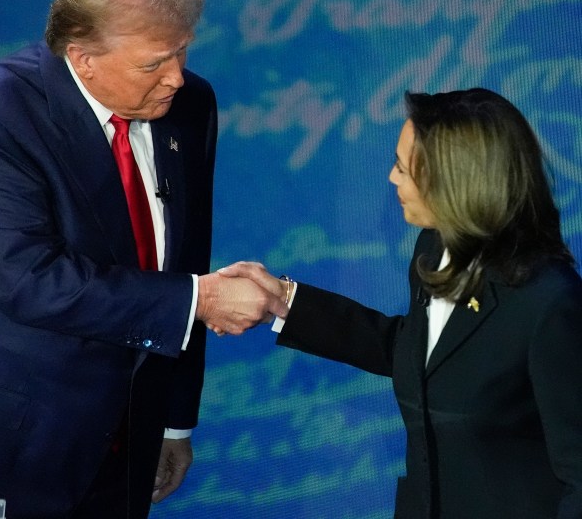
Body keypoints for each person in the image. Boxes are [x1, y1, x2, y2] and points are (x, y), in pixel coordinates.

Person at [0, 0, 286, 519]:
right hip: (24, 443)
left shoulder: (191, 104)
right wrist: (203, 299)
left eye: (182, 52)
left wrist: (174, 420)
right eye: (154, 63)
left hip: (134, 439)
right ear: (83, 57)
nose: (175, 77)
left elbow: (187, 255)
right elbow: (28, 279)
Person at [221, 88, 582, 518]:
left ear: (457, 182)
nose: (392, 179)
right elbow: (418, 355)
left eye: (402, 168)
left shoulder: (549, 302)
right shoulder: (433, 248)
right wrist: (285, 302)